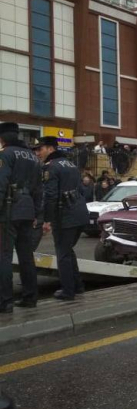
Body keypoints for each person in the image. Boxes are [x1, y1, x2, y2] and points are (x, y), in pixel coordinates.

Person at [35, 136, 89, 301]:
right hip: (80, 213)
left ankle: (68, 291)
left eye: (41, 149)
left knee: (63, 254)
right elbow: (81, 190)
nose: (38, 153)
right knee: (68, 251)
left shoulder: (50, 167)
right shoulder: (71, 164)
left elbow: (50, 195)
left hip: (65, 216)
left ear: (50, 149)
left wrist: (46, 220)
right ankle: (77, 286)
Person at [0, 122, 43, 312]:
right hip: (27, 210)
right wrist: (36, 213)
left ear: (3, 138)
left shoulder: (5, 154)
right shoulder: (33, 157)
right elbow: (38, 189)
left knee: (4, 256)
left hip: (9, 210)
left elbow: (1, 184)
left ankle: (5, 302)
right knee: (26, 256)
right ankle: (30, 297)